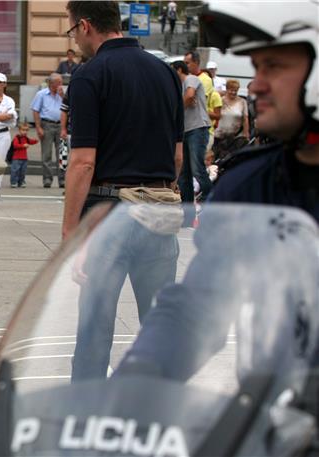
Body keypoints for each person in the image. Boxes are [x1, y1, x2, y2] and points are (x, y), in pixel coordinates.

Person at [115, 0, 319, 382]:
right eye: (255, 69)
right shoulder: (251, 183)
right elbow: (199, 303)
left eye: (272, 67)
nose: (255, 85)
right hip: (273, 421)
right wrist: (140, 376)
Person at [63, 1, 184, 381]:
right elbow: (178, 156)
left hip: (108, 213)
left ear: (85, 26)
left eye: (71, 30)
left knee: (96, 324)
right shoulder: (166, 73)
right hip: (160, 211)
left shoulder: (89, 75)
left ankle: (85, 411)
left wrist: (70, 233)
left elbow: (83, 162)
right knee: (158, 325)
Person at [172, 60, 213, 203]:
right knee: (184, 176)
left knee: (197, 170)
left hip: (197, 129)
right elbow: (188, 99)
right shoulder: (178, 87)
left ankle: (213, 200)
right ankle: (187, 215)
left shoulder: (191, 78)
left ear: (178, 70)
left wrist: (176, 111)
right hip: (185, 131)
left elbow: (189, 96)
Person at [31, 72, 64, 188]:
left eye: (61, 82)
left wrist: (63, 97)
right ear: (51, 83)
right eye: (58, 82)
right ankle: (47, 179)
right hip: (47, 124)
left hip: (60, 125)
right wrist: (38, 127)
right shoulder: (41, 94)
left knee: (62, 154)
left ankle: (62, 180)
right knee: (47, 154)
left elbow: (68, 108)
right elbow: (35, 110)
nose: (61, 84)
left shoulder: (63, 94)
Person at [213, 79, 250, 159]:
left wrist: (246, 134)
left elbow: (245, 118)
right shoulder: (220, 100)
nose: (233, 92)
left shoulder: (242, 102)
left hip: (234, 138)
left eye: (235, 90)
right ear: (226, 89)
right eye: (231, 90)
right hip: (218, 136)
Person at [10, 122, 38, 188]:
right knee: (15, 171)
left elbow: (31, 141)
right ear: (19, 130)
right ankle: (14, 182)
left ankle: (21, 182)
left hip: (24, 158)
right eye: (23, 130)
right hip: (16, 158)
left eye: (26, 130)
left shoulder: (26, 138)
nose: (25, 132)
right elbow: (15, 145)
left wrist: (36, 140)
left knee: (23, 171)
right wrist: (23, 145)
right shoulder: (17, 138)